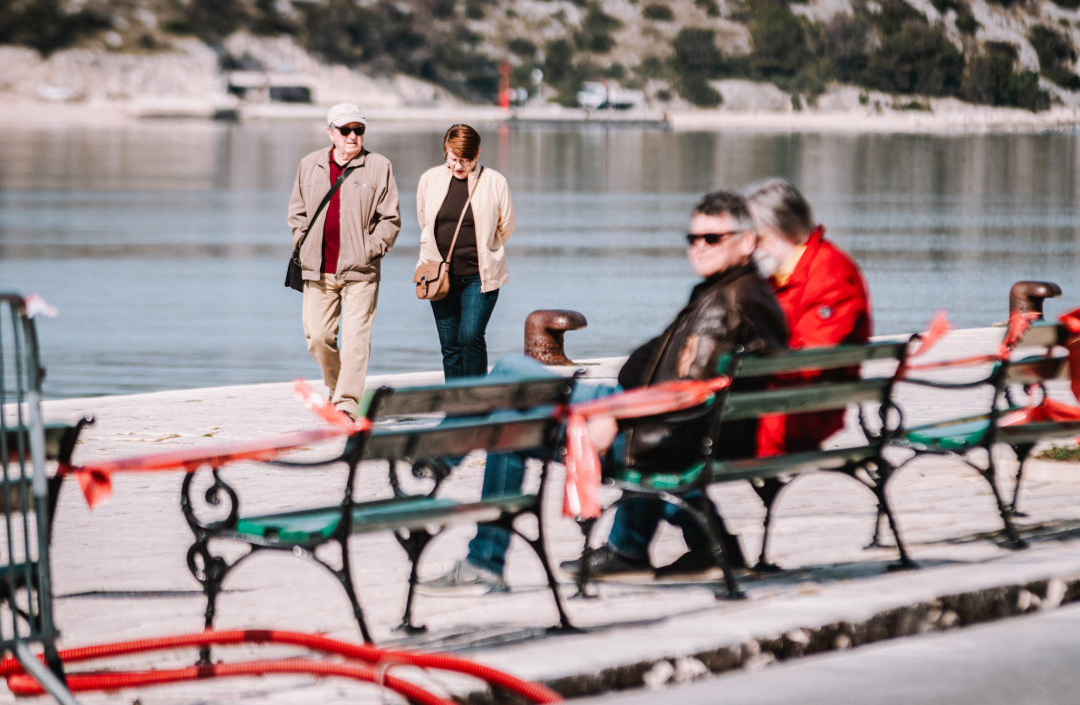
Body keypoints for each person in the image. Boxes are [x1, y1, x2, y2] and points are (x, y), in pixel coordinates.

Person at [419, 190, 788, 593]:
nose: (699, 248)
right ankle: (669, 548)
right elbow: (666, 368)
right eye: (693, 239)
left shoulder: (723, 304)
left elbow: (680, 394)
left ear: (747, 241)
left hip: (658, 434)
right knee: (513, 372)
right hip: (678, 424)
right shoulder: (733, 291)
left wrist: (613, 416)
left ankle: (476, 543)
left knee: (509, 408)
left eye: (712, 238)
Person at [743, 178, 871, 457]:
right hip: (768, 407)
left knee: (663, 430)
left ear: (782, 229)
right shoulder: (782, 276)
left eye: (756, 238)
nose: (750, 248)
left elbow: (811, 364)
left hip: (792, 417)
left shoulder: (829, 274)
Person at [288, 103, 401, 418]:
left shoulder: (379, 166)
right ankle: (339, 390)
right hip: (317, 269)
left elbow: (390, 218)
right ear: (330, 132)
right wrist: (302, 242)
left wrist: (371, 249)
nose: (353, 136)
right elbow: (297, 212)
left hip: (360, 272)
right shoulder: (309, 164)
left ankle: (347, 404)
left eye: (359, 130)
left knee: (355, 341)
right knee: (318, 337)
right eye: (345, 130)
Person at [416, 124, 515, 380]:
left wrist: (486, 248)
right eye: (453, 159)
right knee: (450, 346)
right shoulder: (430, 180)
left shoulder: (495, 182)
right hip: (439, 276)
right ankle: (456, 411)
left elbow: (506, 226)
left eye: (466, 160)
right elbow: (424, 222)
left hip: (479, 277)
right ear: (445, 153)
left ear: (478, 154)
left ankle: (477, 405)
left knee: (470, 336)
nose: (459, 166)